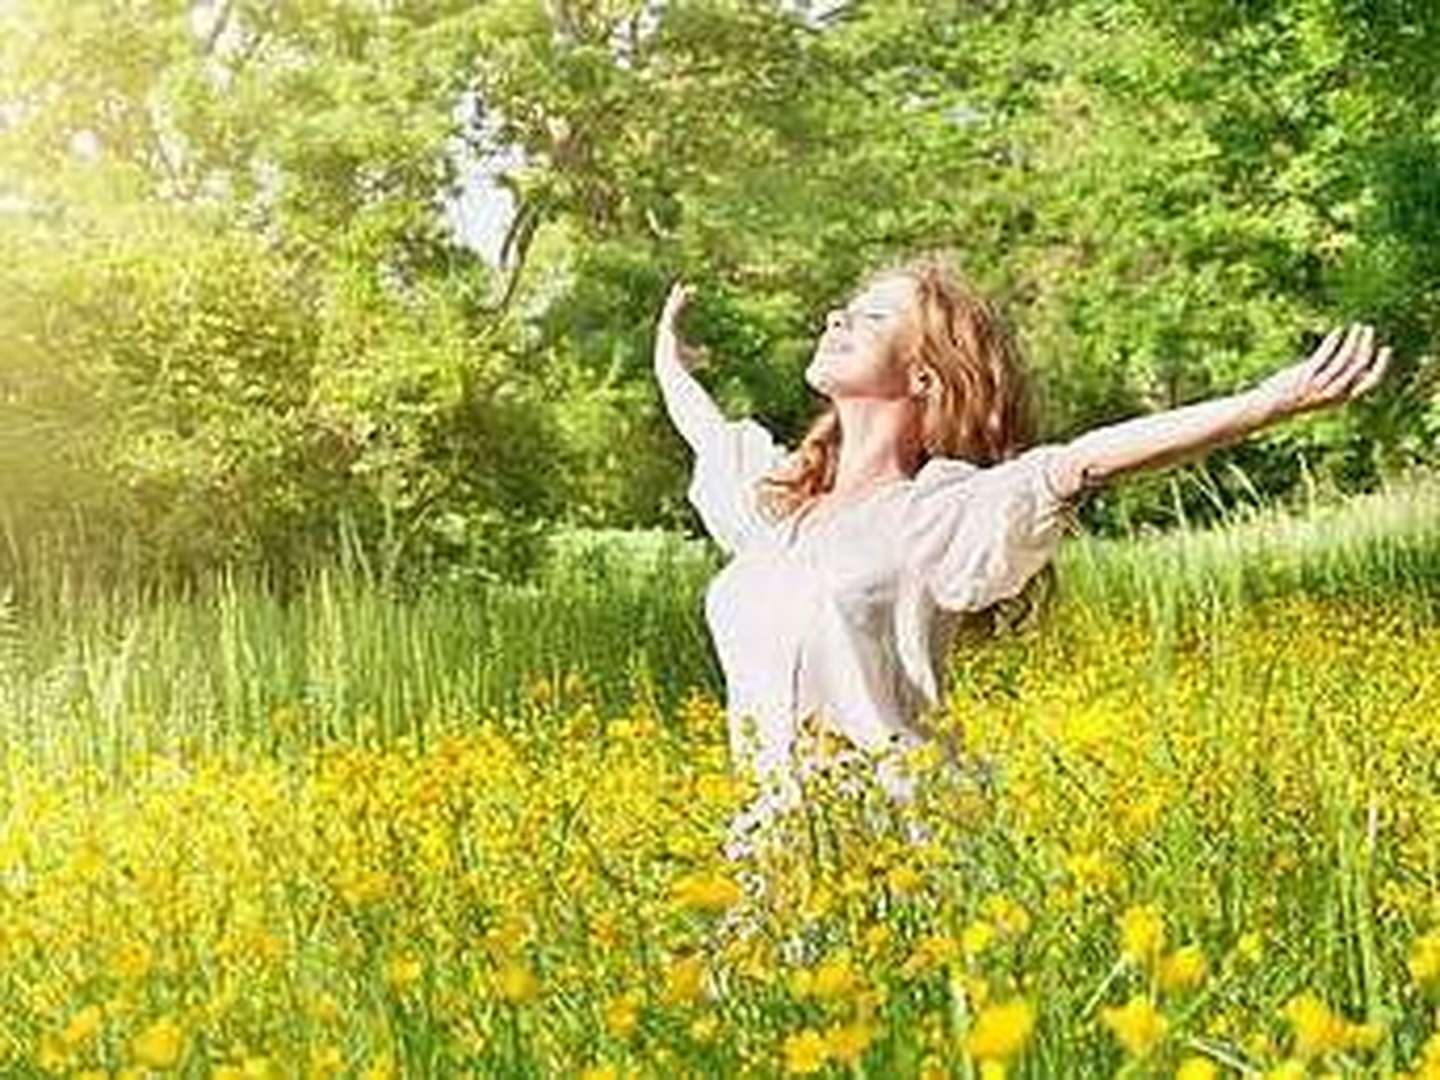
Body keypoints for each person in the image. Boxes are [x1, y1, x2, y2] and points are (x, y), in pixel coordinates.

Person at [653, 251, 1392, 862]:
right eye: (845, 310)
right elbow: (709, 436)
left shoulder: (937, 511)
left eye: (874, 317)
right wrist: (670, 365)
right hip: (774, 854)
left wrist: (1263, 404)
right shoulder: (779, 511)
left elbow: (1081, 461)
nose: (837, 319)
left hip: (894, 853)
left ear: (922, 376)